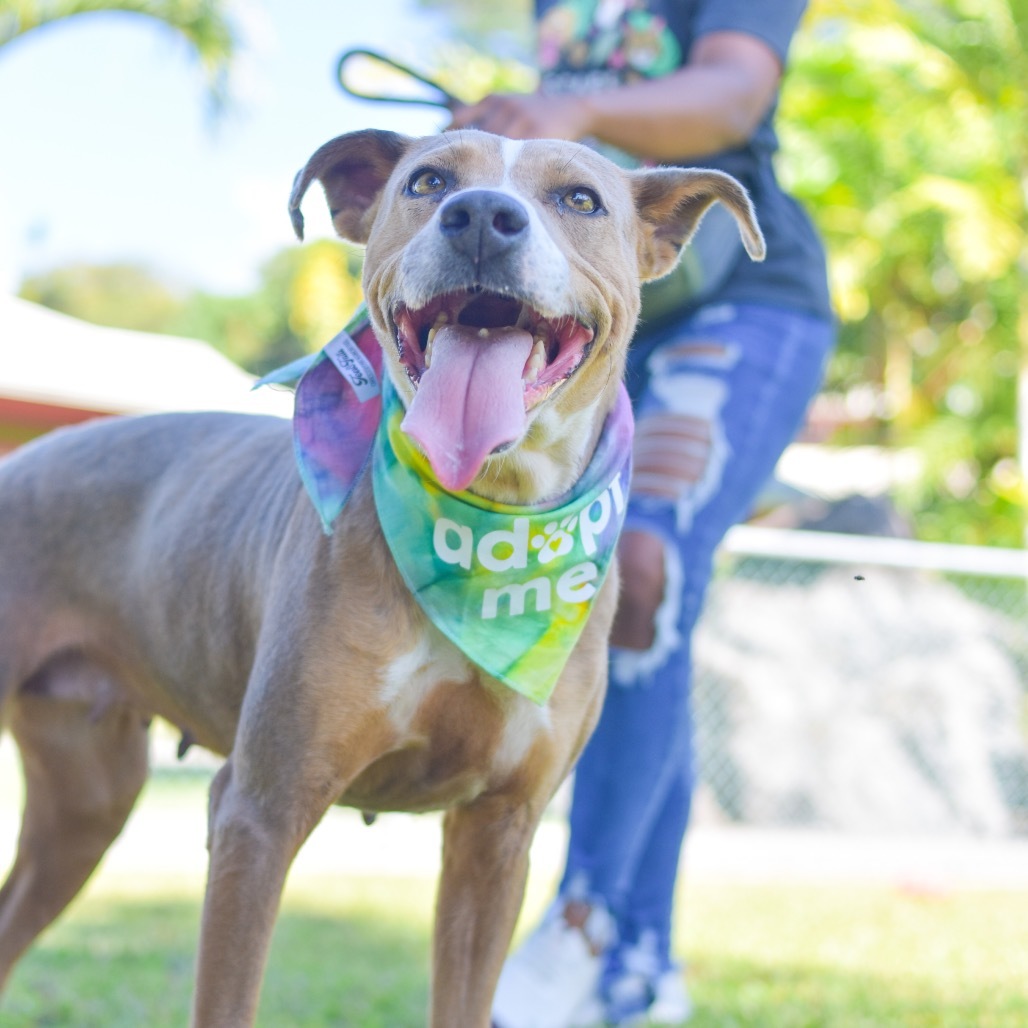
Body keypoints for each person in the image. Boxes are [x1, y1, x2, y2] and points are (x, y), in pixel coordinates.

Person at [449, 3, 835, 1025]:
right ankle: (638, 963)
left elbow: (732, 92)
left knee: (643, 569)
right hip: (602, 306)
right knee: (606, 596)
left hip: (740, 300)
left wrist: (565, 103)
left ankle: (584, 919)